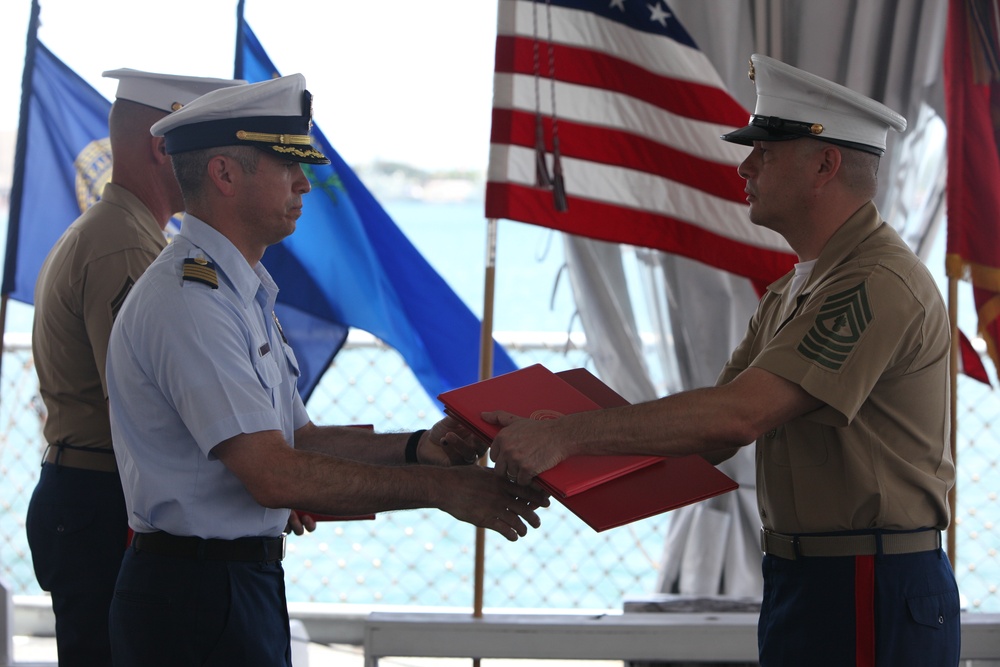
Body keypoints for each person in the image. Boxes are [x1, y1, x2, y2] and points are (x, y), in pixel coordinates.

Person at [487, 54, 960, 666]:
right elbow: (708, 434)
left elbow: (739, 417)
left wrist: (567, 437)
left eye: (765, 149)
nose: (745, 166)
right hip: (808, 580)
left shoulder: (873, 281)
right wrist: (552, 443)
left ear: (825, 164)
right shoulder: (797, 290)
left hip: (870, 584)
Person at [104, 72, 548, 667]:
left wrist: (421, 449)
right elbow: (273, 475)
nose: (303, 184)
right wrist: (445, 490)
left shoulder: (239, 292)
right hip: (194, 595)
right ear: (225, 174)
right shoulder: (191, 300)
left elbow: (299, 441)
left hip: (233, 585)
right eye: (285, 164)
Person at [25, 68, 244, 667]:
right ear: (161, 145)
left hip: (90, 492)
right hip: (102, 500)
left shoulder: (119, 232)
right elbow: (145, 403)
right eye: (201, 145)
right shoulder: (123, 244)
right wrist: (256, 475)